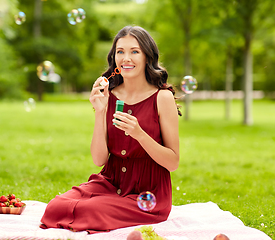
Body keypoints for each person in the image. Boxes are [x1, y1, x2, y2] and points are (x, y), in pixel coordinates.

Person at [40, 25, 181, 233]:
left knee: (91, 210)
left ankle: (98, 210)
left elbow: (173, 161)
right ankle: (95, 208)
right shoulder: (110, 94)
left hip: (148, 192)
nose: (126, 58)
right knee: (55, 208)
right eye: (120, 51)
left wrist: (139, 134)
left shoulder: (162, 98)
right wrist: (100, 111)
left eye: (135, 51)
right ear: (113, 57)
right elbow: (99, 160)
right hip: (111, 181)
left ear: (147, 56)